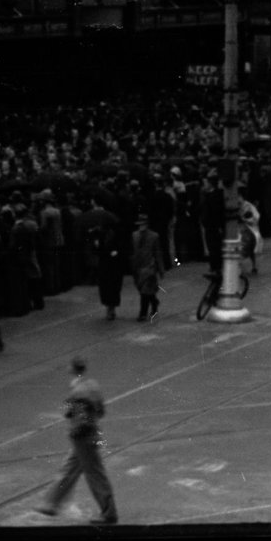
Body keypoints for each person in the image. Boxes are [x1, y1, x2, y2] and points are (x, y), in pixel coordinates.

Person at [37, 357, 117, 525]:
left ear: (72, 370)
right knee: (69, 468)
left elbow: (70, 414)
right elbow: (101, 411)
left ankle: (109, 513)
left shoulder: (76, 391)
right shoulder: (92, 385)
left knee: (94, 474)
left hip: (83, 438)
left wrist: (74, 427)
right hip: (93, 434)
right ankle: (51, 503)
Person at [130, 220, 161, 322]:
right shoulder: (134, 235)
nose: (141, 227)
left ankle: (143, 313)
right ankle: (154, 301)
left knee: (145, 290)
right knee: (143, 289)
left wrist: (160, 268)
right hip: (138, 267)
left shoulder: (154, 236)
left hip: (149, 266)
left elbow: (157, 253)